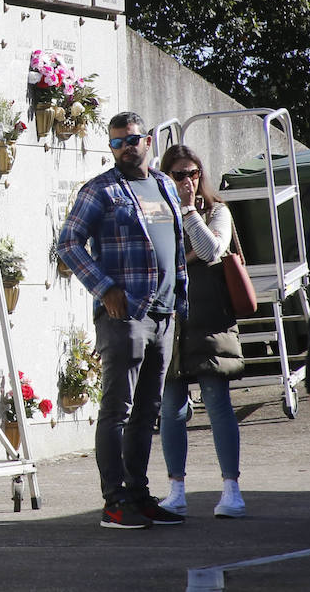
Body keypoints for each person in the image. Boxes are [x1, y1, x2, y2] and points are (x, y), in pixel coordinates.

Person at [57, 112, 189, 529]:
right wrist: (105, 288)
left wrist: (180, 299)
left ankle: (137, 493)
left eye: (132, 140)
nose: (125, 148)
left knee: (148, 412)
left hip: (164, 314)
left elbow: (176, 247)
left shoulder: (166, 184)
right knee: (118, 410)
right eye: (117, 143)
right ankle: (114, 502)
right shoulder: (101, 190)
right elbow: (69, 243)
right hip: (125, 315)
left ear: (148, 141)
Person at [156, 144, 246, 518]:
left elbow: (211, 251)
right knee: (171, 409)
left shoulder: (217, 211)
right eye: (179, 174)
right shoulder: (156, 210)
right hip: (172, 319)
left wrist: (191, 210)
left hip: (210, 319)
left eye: (193, 173)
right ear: (165, 176)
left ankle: (231, 489)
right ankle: (176, 489)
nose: (188, 181)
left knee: (217, 403)